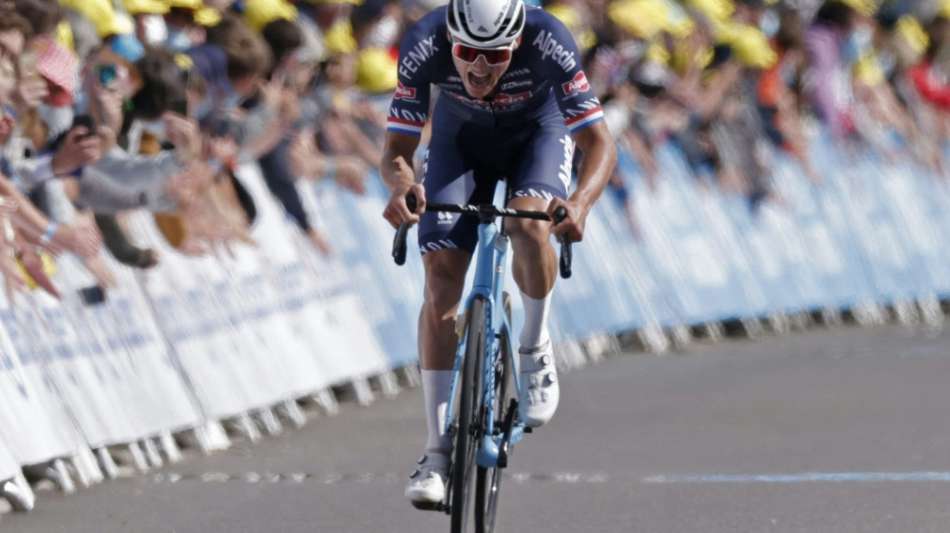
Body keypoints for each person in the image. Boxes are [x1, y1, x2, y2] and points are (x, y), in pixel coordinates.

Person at [380, 0, 617, 507]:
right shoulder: (423, 42)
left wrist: (580, 203)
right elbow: (398, 147)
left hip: (539, 134)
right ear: (451, 41)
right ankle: (437, 453)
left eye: (496, 56)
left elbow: (599, 142)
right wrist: (401, 187)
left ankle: (533, 346)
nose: (480, 68)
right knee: (441, 277)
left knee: (525, 225)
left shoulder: (550, 38)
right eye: (467, 53)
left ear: (518, 43)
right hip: (460, 140)